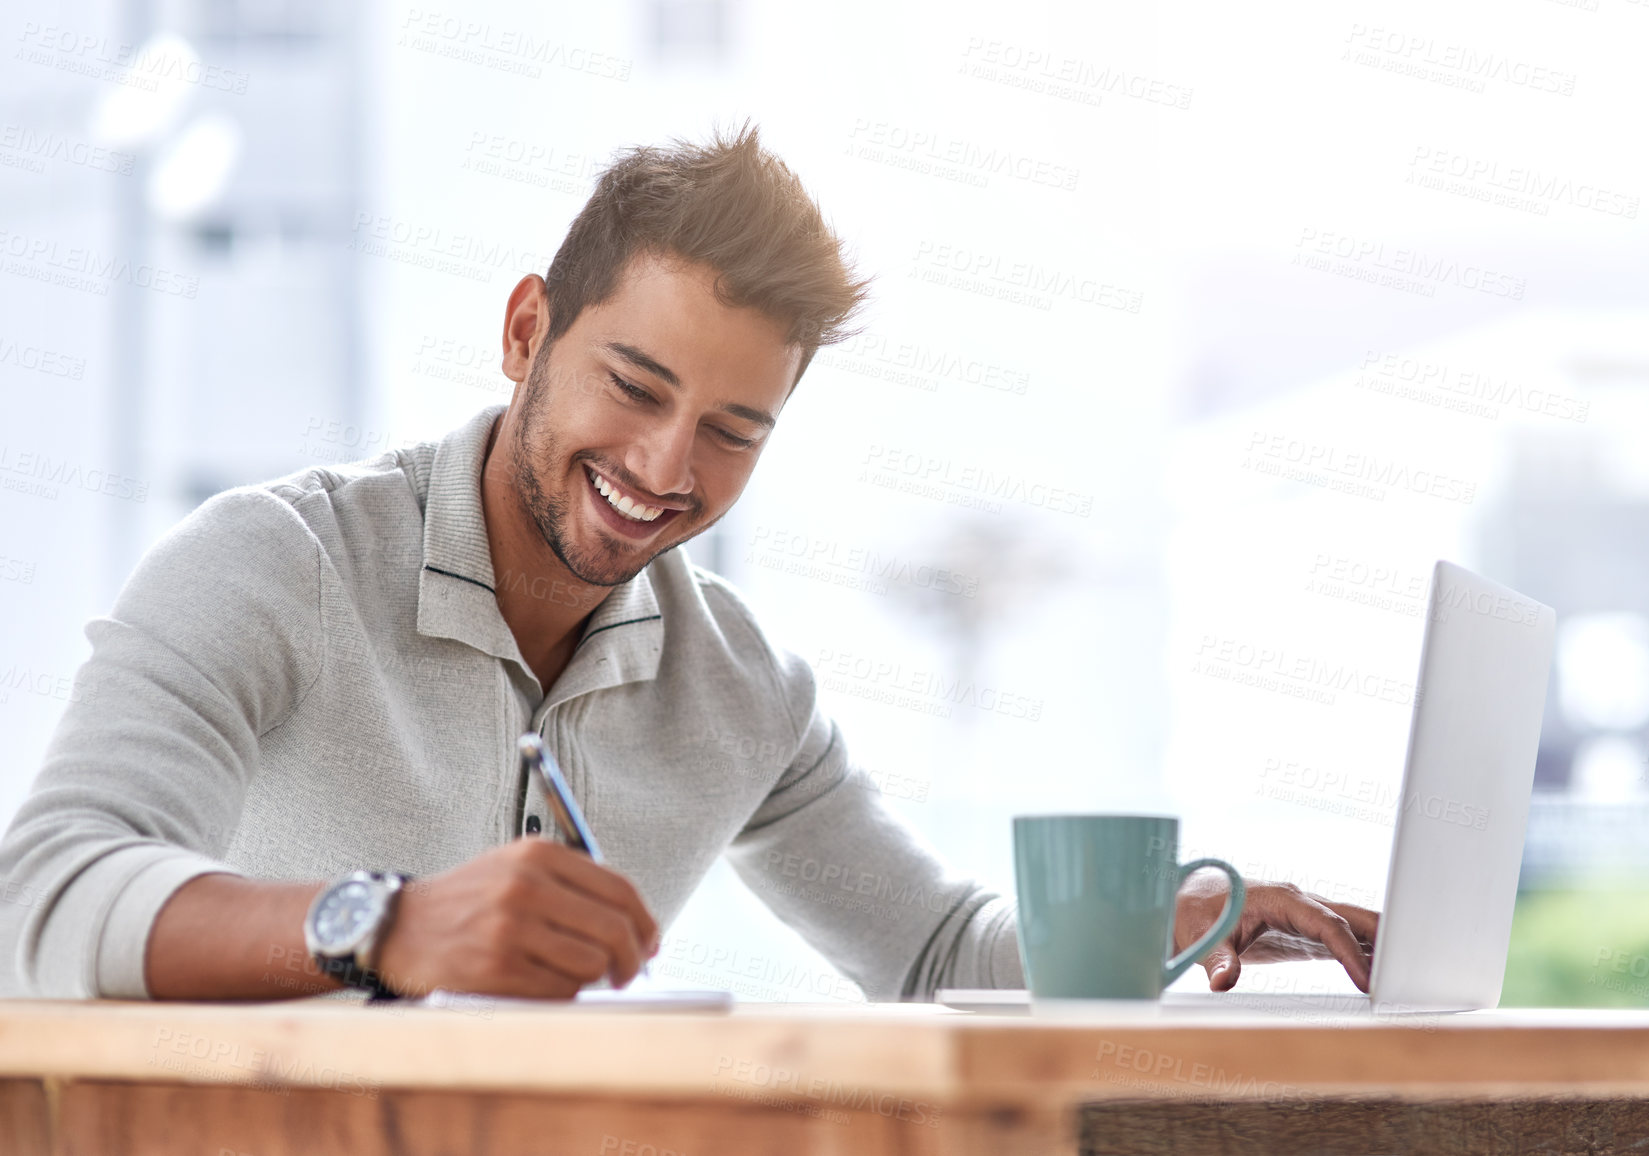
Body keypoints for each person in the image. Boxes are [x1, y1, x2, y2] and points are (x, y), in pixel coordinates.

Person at [0, 125, 1376, 1003]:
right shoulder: (273, 564)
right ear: (527, 328)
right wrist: (382, 925)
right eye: (634, 386)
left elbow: (938, 956)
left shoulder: (742, 689)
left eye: (731, 431)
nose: (665, 469)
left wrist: (1175, 920)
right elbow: (38, 896)